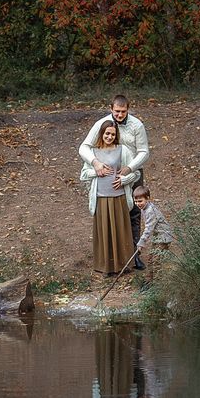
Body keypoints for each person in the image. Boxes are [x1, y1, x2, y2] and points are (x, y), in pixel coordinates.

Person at [79, 95, 150, 269]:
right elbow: (84, 147)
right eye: (116, 111)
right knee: (109, 214)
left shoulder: (136, 125)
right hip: (106, 173)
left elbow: (144, 151)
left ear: (128, 109)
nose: (119, 115)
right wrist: (95, 163)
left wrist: (129, 169)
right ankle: (111, 257)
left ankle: (134, 255)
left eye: (123, 111)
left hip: (131, 170)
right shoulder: (101, 124)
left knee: (133, 211)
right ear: (111, 109)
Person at [133, 185, 174, 284]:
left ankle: (158, 284)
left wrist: (140, 243)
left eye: (140, 201)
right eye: (136, 201)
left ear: (147, 198)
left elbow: (148, 229)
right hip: (157, 236)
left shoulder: (151, 211)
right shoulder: (144, 208)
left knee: (157, 260)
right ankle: (149, 282)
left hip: (163, 237)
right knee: (151, 259)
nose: (138, 204)